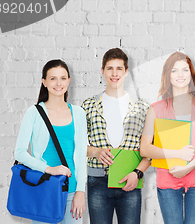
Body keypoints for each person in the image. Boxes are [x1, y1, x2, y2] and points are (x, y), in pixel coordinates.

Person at [140, 51, 195, 224]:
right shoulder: (156, 108)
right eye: (174, 70)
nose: (180, 75)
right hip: (167, 179)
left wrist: (188, 167)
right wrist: (177, 153)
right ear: (168, 75)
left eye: (185, 70)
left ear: (191, 74)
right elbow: (145, 148)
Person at [81, 48, 150, 224]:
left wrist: (138, 173)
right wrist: (96, 152)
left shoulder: (142, 107)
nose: (114, 73)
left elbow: (149, 150)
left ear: (126, 71)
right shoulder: (88, 106)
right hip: (97, 182)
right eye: (110, 68)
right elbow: (77, 145)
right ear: (102, 71)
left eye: (119, 68)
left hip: (130, 181)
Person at [14, 59, 87, 224]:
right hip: (44, 190)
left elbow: (82, 153)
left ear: (69, 80)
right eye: (53, 78)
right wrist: (49, 169)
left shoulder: (78, 113)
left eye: (62, 78)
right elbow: (19, 152)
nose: (58, 83)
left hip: (72, 192)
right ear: (44, 82)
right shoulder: (34, 112)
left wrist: (81, 191)